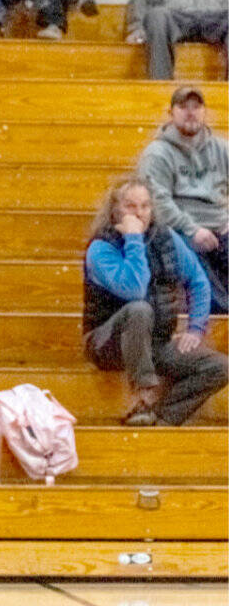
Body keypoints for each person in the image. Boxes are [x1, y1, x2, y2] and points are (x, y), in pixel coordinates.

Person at [83, 177, 228, 425]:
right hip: (108, 343)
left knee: (220, 367)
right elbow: (135, 290)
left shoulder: (166, 238)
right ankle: (144, 395)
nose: (138, 213)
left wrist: (195, 328)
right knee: (139, 309)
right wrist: (134, 239)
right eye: (130, 206)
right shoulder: (100, 248)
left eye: (145, 206)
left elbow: (198, 281)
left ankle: (161, 419)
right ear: (115, 209)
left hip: (155, 343)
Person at [137, 87, 228, 314]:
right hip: (180, 231)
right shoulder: (157, 153)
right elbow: (158, 201)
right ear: (171, 113)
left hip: (221, 226)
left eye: (196, 107)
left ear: (205, 112)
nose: (190, 112)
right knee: (200, 273)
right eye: (183, 107)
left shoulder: (222, 148)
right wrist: (193, 229)